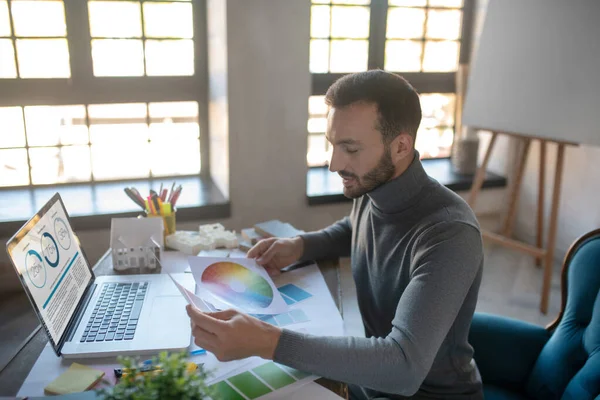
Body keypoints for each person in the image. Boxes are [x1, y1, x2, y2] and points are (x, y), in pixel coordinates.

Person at [186, 70, 484, 399]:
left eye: (350, 149)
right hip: (373, 384)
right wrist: (300, 245)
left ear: (400, 146)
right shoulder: (376, 188)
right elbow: (356, 229)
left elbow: (403, 366)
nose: (333, 164)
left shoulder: (450, 234)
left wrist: (267, 341)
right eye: (332, 145)